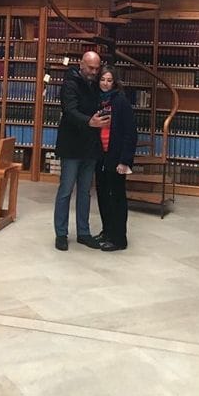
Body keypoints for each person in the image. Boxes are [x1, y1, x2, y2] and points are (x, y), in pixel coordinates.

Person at [53, 50, 110, 251]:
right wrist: (90, 121)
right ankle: (61, 234)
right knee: (66, 190)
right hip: (71, 146)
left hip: (90, 146)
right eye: (91, 68)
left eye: (96, 68)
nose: (94, 72)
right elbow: (70, 111)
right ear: (81, 65)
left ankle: (83, 233)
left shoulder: (95, 84)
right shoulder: (70, 83)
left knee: (85, 192)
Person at [94, 64, 138, 251]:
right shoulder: (96, 100)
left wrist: (124, 160)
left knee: (117, 197)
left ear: (115, 82)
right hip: (99, 155)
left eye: (109, 80)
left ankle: (119, 238)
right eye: (103, 79)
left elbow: (130, 132)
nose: (105, 83)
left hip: (116, 156)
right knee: (103, 195)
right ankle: (107, 231)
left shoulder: (120, 101)